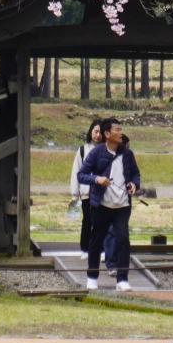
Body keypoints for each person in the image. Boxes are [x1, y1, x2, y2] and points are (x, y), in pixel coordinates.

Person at [75, 117, 141, 290]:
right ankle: (92, 277)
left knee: (123, 240)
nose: (120, 133)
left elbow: (135, 174)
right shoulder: (96, 152)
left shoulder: (127, 154)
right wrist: (97, 179)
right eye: (117, 130)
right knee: (96, 241)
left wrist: (134, 184)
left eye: (120, 130)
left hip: (122, 206)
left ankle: (122, 279)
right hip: (101, 205)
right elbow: (81, 175)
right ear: (107, 134)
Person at [69, 120, 105, 282]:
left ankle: (101, 249)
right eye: (95, 131)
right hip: (86, 193)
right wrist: (74, 194)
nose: (97, 135)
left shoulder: (107, 150)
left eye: (100, 132)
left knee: (102, 222)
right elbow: (76, 171)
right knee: (87, 221)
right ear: (90, 132)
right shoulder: (83, 150)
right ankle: (85, 248)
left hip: (104, 194)